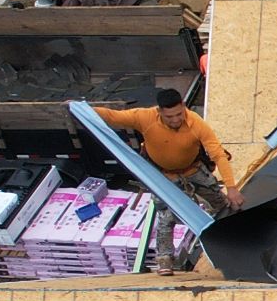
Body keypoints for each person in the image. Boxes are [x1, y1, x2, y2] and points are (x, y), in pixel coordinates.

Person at [94, 85, 239, 214]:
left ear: (183, 106)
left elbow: (219, 155)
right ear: (159, 111)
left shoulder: (197, 124)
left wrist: (231, 188)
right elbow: (113, 116)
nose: (175, 120)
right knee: (168, 218)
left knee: (222, 204)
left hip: (193, 170)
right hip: (163, 176)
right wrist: (81, 109)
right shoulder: (145, 118)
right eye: (169, 116)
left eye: (179, 114)